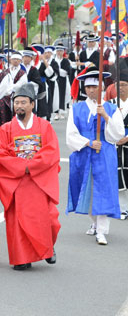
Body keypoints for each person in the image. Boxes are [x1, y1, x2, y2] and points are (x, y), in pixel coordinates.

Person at [0, 83, 61, 270]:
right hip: (16, 182)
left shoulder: (44, 126)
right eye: (16, 102)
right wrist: (21, 167)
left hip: (39, 181)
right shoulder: (5, 129)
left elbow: (51, 152)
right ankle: (21, 258)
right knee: (18, 223)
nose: (20, 106)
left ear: (32, 104)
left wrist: (30, 166)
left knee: (49, 219)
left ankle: (47, 248)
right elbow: (1, 154)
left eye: (24, 102)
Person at [66, 66, 124, 245]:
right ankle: (94, 222)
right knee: (86, 190)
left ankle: (101, 230)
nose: (91, 90)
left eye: (95, 87)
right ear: (85, 89)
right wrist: (89, 142)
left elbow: (118, 134)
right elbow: (71, 134)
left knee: (103, 190)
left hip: (104, 154)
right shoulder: (76, 108)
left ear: (101, 88)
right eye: (88, 87)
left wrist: (106, 116)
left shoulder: (111, 108)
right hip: (84, 153)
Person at [110, 70, 128, 219]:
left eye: (124, 85)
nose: (121, 88)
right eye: (118, 85)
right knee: (118, 174)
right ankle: (122, 208)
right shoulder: (110, 104)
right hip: (114, 144)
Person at [51, 45, 72, 120]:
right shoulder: (53, 60)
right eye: (58, 51)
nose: (59, 52)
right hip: (55, 79)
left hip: (63, 80)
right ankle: (56, 112)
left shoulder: (65, 61)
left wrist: (58, 70)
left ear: (63, 52)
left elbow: (67, 72)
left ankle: (62, 110)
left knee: (63, 94)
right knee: (56, 95)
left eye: (60, 51)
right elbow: (52, 71)